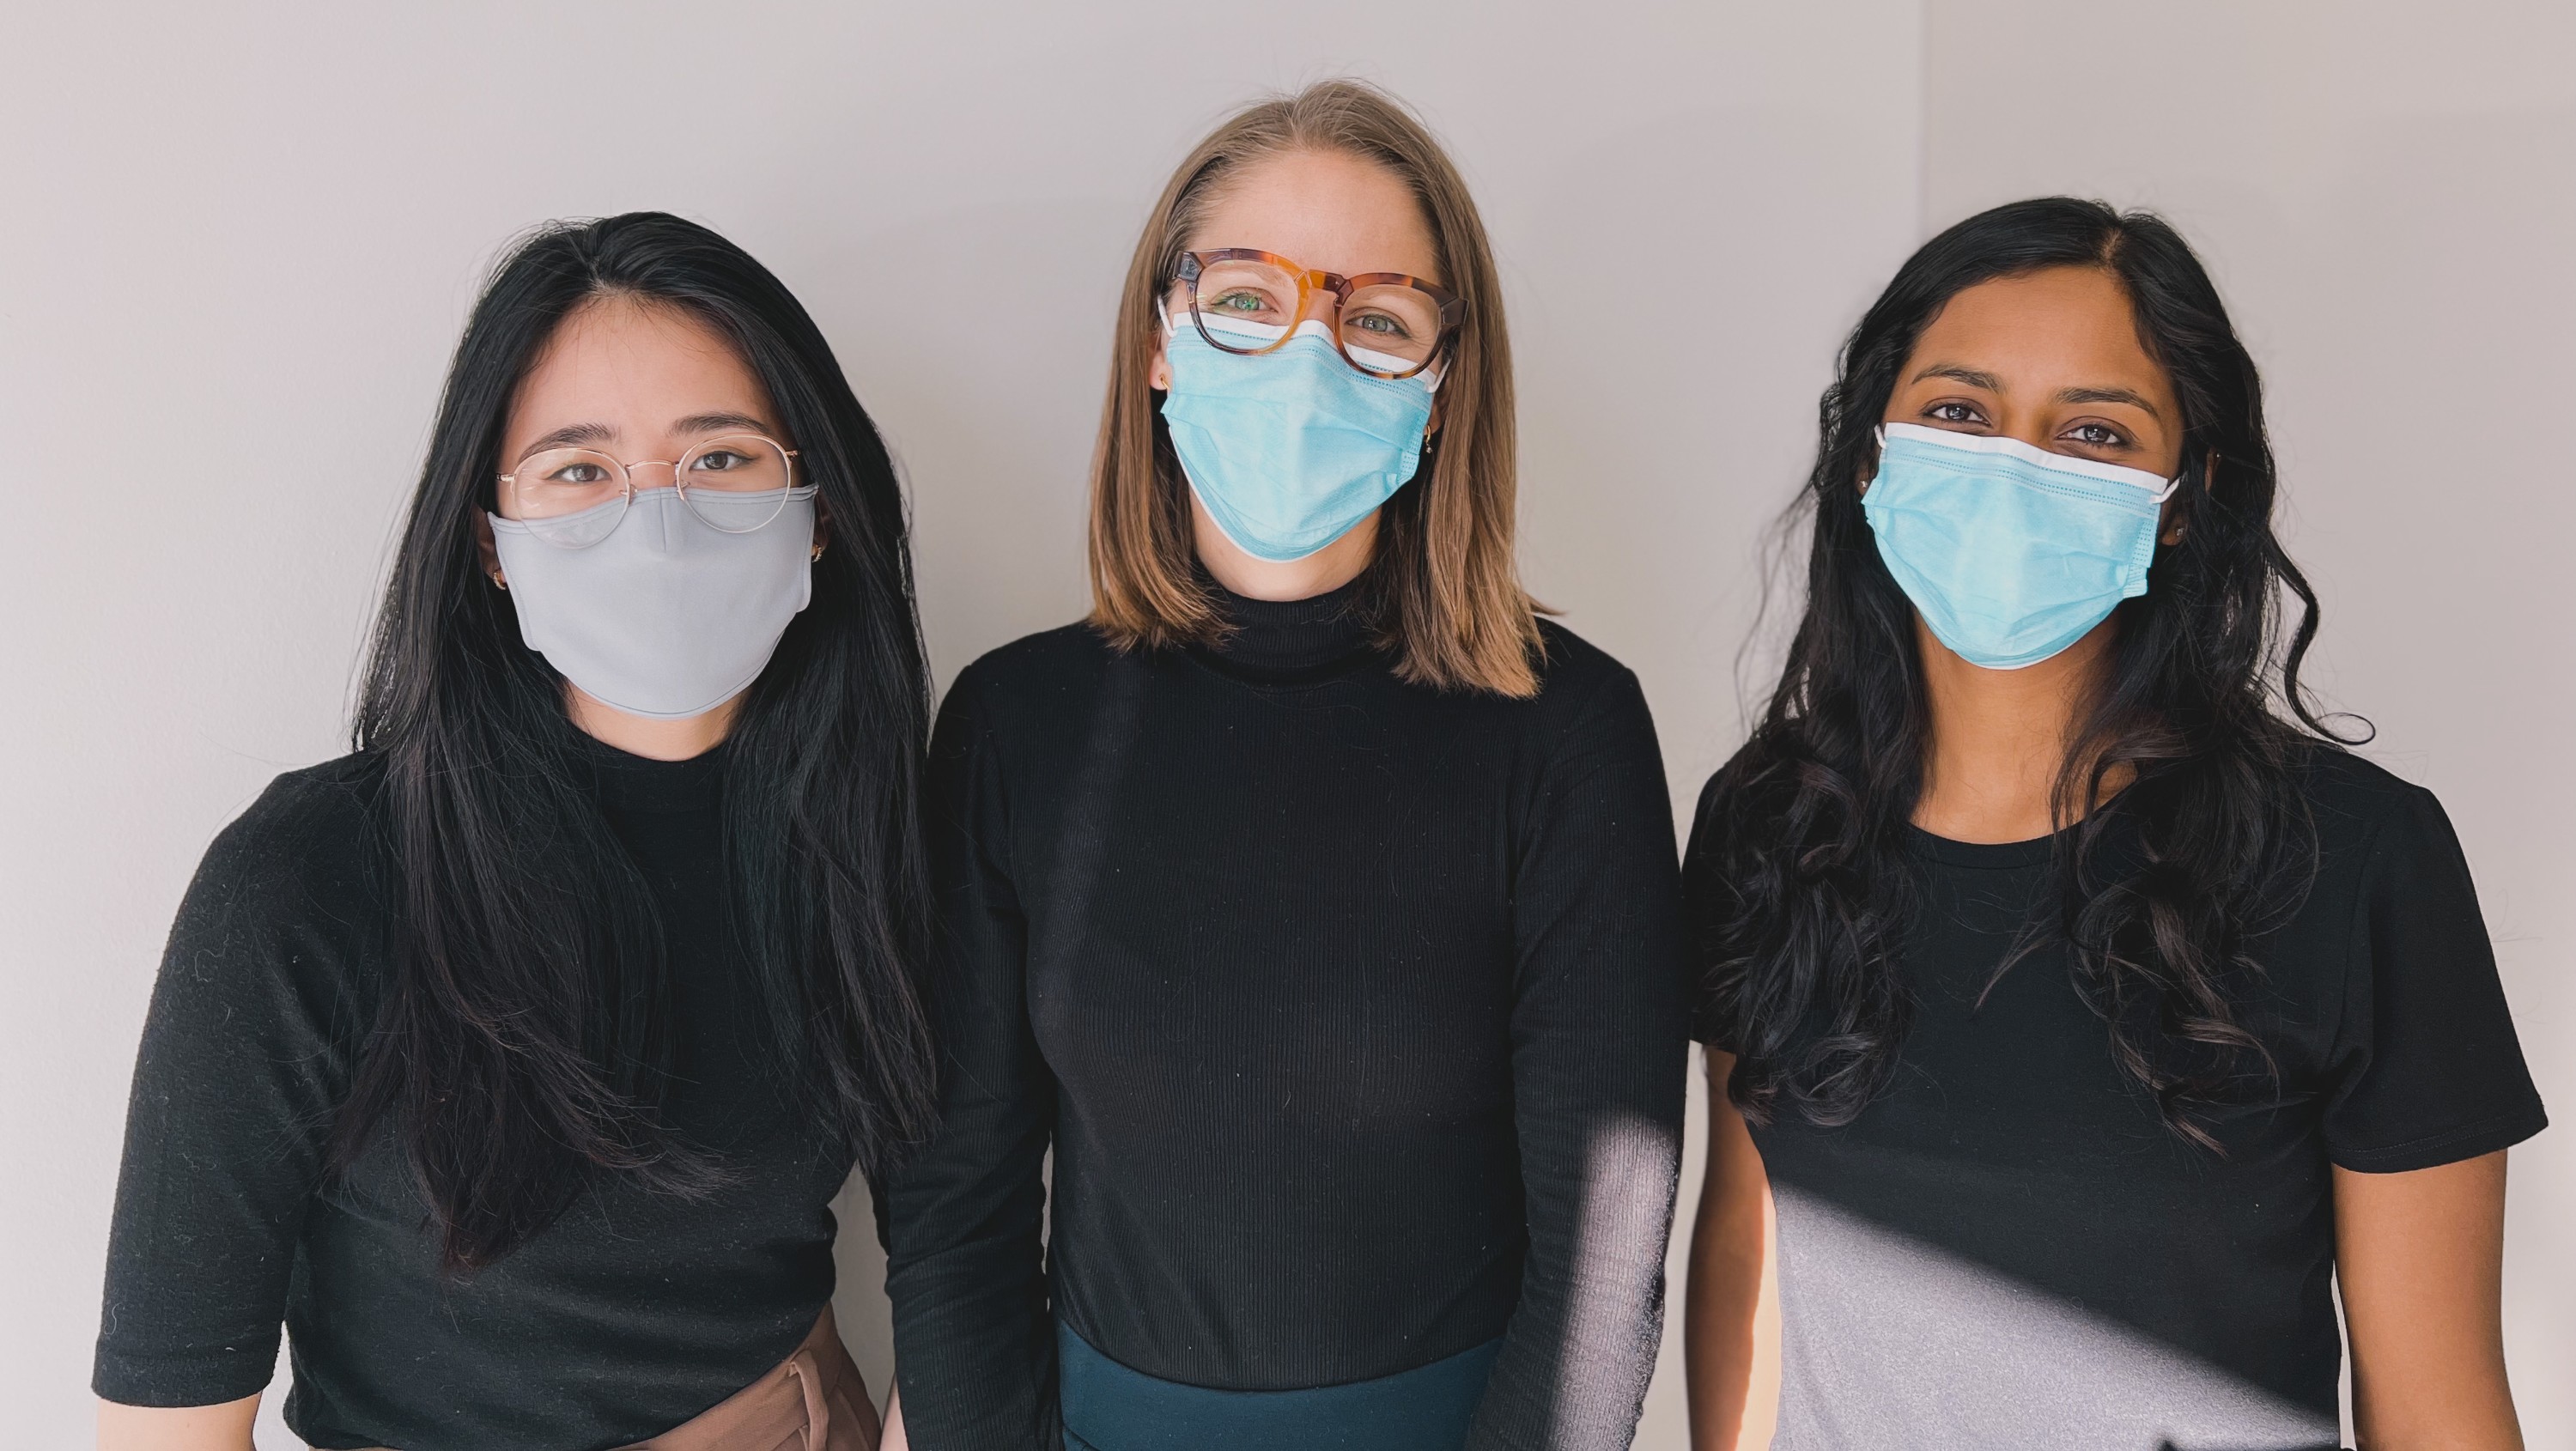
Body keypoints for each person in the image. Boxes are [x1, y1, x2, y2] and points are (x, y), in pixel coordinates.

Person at [883, 81, 1687, 1451]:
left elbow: (1605, 1263)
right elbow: (949, 1210)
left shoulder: (1567, 731)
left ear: (1441, 387)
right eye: (1249, 298)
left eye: (1376, 318)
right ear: (1159, 338)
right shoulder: (1015, 724)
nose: (1306, 355)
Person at [1682, 197, 2548, 1450]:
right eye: (1960, 413)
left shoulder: (2358, 862)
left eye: (2094, 431)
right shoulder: (1769, 823)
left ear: (2184, 496)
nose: (2016, 466)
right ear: (1874, 453)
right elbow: (1744, 1250)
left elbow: (2437, 1405)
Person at [94, 213, 930, 1451]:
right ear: (489, 543)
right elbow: (166, 1419)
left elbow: (959, 1247)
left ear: (818, 511)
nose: (659, 524)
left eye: (722, 458)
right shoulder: (305, 883)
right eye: (579, 470)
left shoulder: (873, 837)